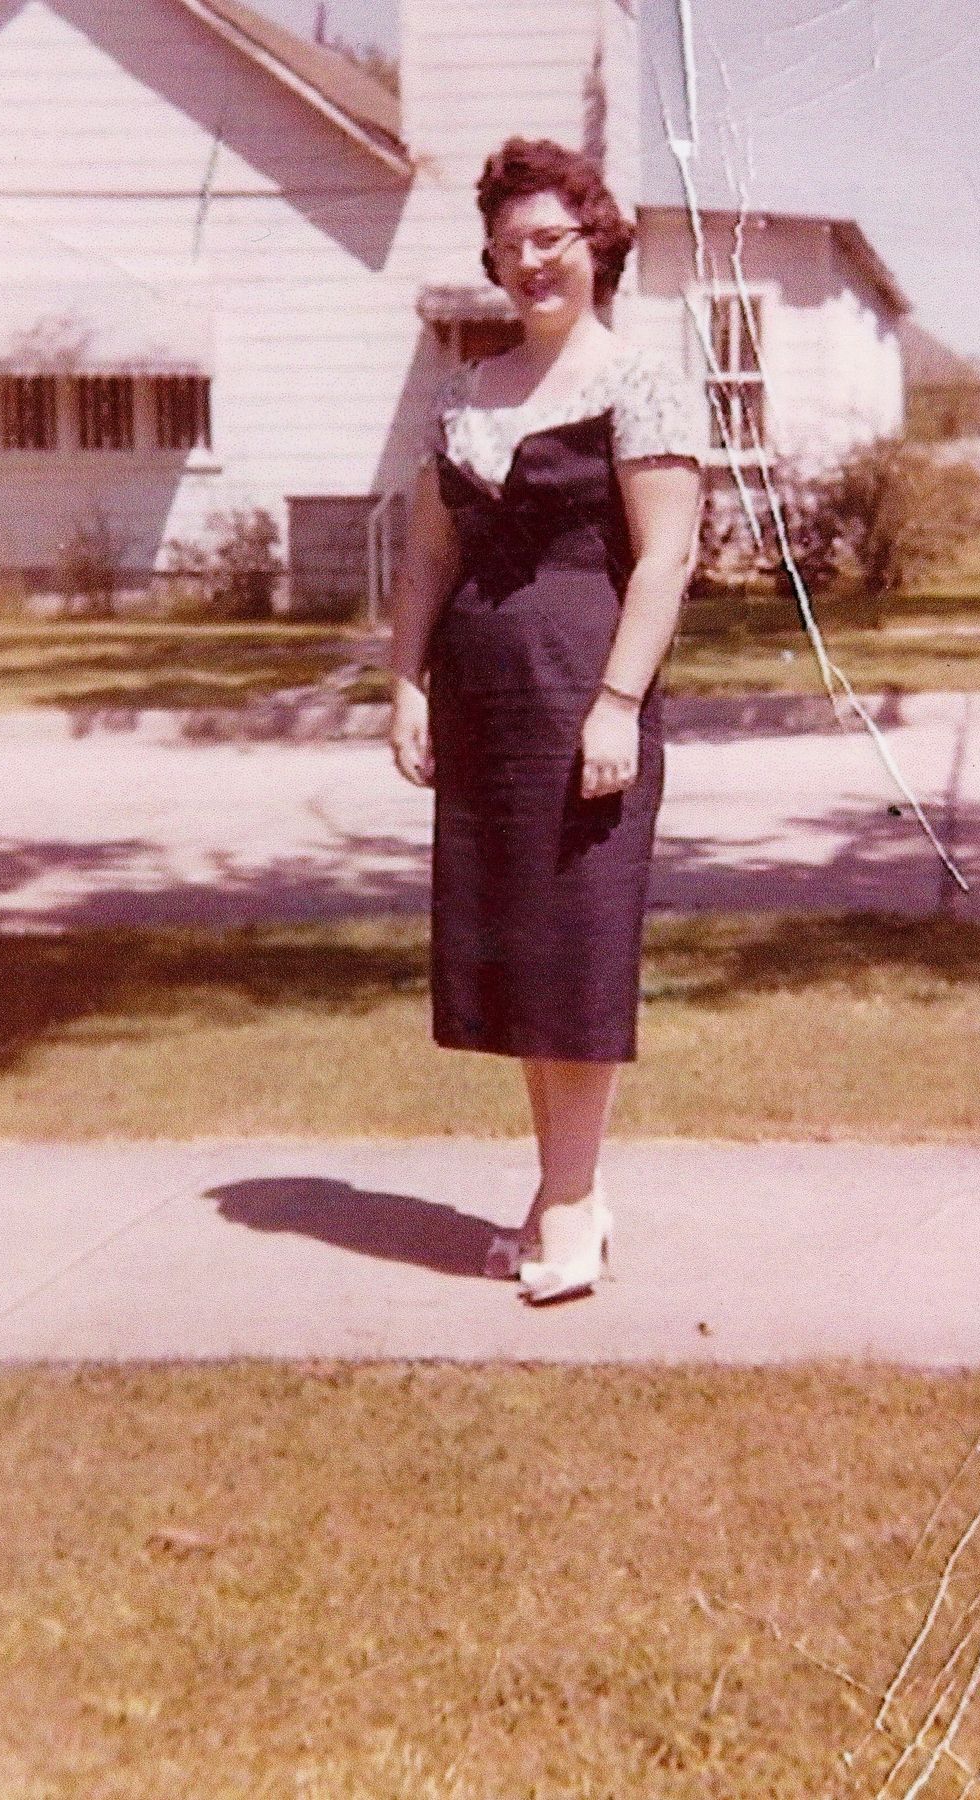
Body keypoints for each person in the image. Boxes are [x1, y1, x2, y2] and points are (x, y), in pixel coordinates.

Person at [387, 136, 707, 1304]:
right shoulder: (463, 395)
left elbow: (666, 558)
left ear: (596, 244)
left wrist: (618, 701)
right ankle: (563, 1190)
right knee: (523, 955)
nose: (531, 262)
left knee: (577, 947)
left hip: (586, 696)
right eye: (509, 245)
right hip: (486, 707)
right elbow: (430, 558)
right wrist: (406, 683)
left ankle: (570, 1204)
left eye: (550, 239)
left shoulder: (642, 381)